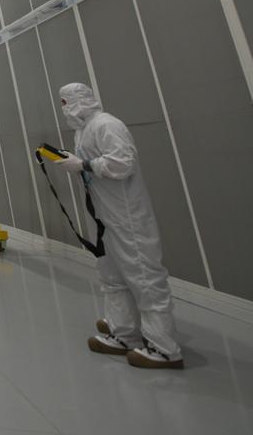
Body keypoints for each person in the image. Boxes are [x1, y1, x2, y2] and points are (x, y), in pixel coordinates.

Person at [53, 83, 183, 369]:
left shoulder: (107, 125)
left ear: (80, 101)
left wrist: (84, 166)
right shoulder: (82, 131)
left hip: (127, 215)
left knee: (143, 274)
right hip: (103, 215)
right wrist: (72, 162)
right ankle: (125, 333)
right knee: (112, 273)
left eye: (66, 102)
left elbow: (123, 163)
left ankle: (164, 348)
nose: (64, 108)